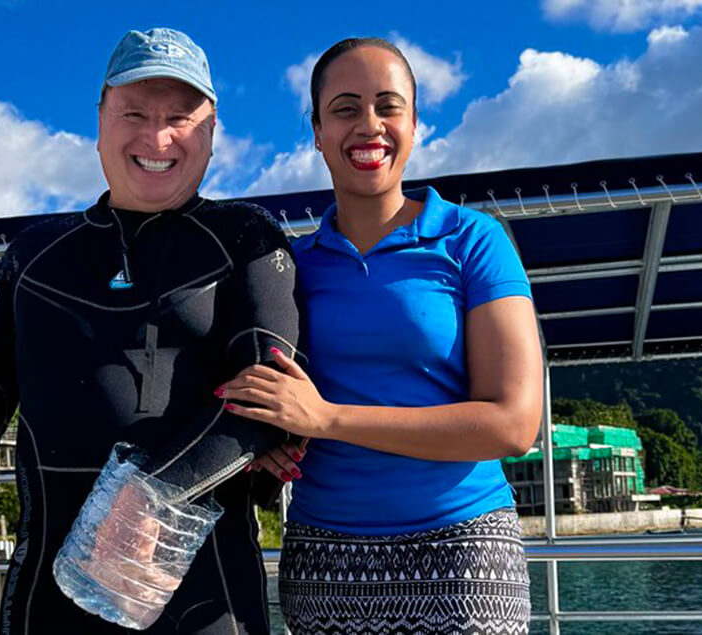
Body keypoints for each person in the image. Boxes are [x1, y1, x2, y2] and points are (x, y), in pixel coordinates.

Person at [0, 27, 302, 634]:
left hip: (206, 597)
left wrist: (152, 495)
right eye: (134, 113)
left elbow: (270, 399)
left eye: (181, 116)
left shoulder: (246, 240)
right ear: (99, 122)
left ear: (211, 133)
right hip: (49, 597)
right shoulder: (34, 255)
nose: (157, 136)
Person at [218, 38, 542, 634]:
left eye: (388, 106)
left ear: (415, 125)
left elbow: (514, 425)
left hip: (464, 554)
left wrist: (327, 419)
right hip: (324, 558)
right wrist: (263, 438)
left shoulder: (473, 241)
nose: (369, 125)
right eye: (344, 108)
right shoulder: (286, 269)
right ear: (316, 131)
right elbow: (261, 399)